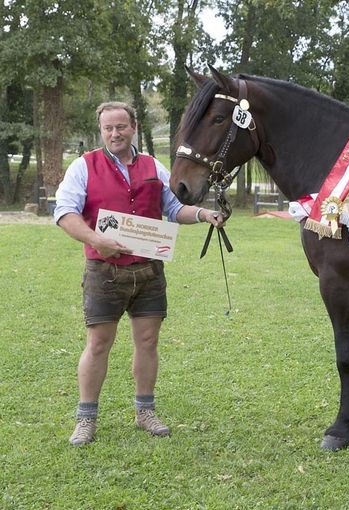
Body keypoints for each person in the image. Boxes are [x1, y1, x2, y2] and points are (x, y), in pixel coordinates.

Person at [54, 101, 224, 446]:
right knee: (99, 343)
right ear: (101, 131)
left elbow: (173, 209)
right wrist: (94, 239)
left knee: (147, 341)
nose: (114, 134)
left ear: (133, 127)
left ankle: (144, 411)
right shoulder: (83, 166)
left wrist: (204, 214)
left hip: (149, 270)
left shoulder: (152, 165)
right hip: (105, 271)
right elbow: (65, 212)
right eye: (108, 128)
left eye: (121, 127)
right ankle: (86, 418)